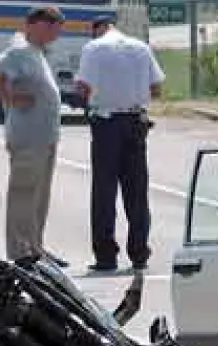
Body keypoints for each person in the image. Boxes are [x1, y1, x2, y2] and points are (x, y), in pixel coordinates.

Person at [75, 11, 165, 272]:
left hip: (106, 123)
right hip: (136, 122)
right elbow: (157, 88)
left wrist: (99, 97)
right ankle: (139, 252)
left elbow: (82, 88)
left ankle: (106, 255)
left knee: (104, 191)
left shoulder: (94, 48)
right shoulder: (141, 48)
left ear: (97, 29)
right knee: (137, 190)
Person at [0, 5, 69, 266]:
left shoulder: (37, 53)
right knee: (24, 193)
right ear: (35, 25)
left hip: (44, 136)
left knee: (40, 196)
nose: (55, 34)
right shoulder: (19, 51)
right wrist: (10, 98)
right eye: (51, 27)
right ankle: (20, 250)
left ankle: (36, 246)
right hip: (28, 137)